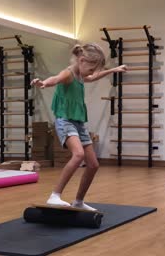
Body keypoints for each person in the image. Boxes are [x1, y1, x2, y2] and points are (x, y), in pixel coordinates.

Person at [31, 43, 127, 211]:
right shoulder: (68, 73)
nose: (91, 74)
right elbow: (56, 79)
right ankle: (55, 195)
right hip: (65, 120)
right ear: (82, 60)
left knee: (93, 164)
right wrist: (44, 83)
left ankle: (79, 201)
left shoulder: (81, 75)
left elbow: (92, 78)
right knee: (78, 154)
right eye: (91, 69)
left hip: (79, 122)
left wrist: (113, 70)